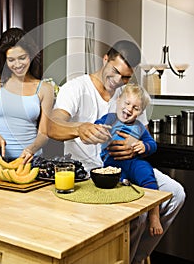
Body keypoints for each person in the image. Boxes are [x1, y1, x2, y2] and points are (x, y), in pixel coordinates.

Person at [48, 39, 185, 264]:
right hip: (91, 172)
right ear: (105, 60)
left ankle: (136, 258)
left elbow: (144, 134)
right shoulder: (76, 87)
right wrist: (79, 128)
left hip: (129, 166)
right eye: (115, 73)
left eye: (126, 77)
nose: (118, 81)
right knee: (138, 213)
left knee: (176, 194)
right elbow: (53, 126)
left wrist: (135, 144)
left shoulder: (128, 95)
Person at [0, 27, 54, 164]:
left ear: (30, 55)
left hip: (31, 160)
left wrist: (32, 149)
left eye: (22, 58)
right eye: (11, 60)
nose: (17, 65)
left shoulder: (45, 89)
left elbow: (44, 133)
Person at [95, 83, 163, 236]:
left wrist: (144, 146)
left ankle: (154, 214)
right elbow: (96, 126)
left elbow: (152, 144)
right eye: (127, 103)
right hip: (112, 163)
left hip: (135, 162)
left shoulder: (139, 127)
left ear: (140, 113)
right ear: (118, 101)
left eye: (136, 108)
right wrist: (101, 130)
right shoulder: (109, 119)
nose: (129, 109)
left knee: (147, 175)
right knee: (118, 189)